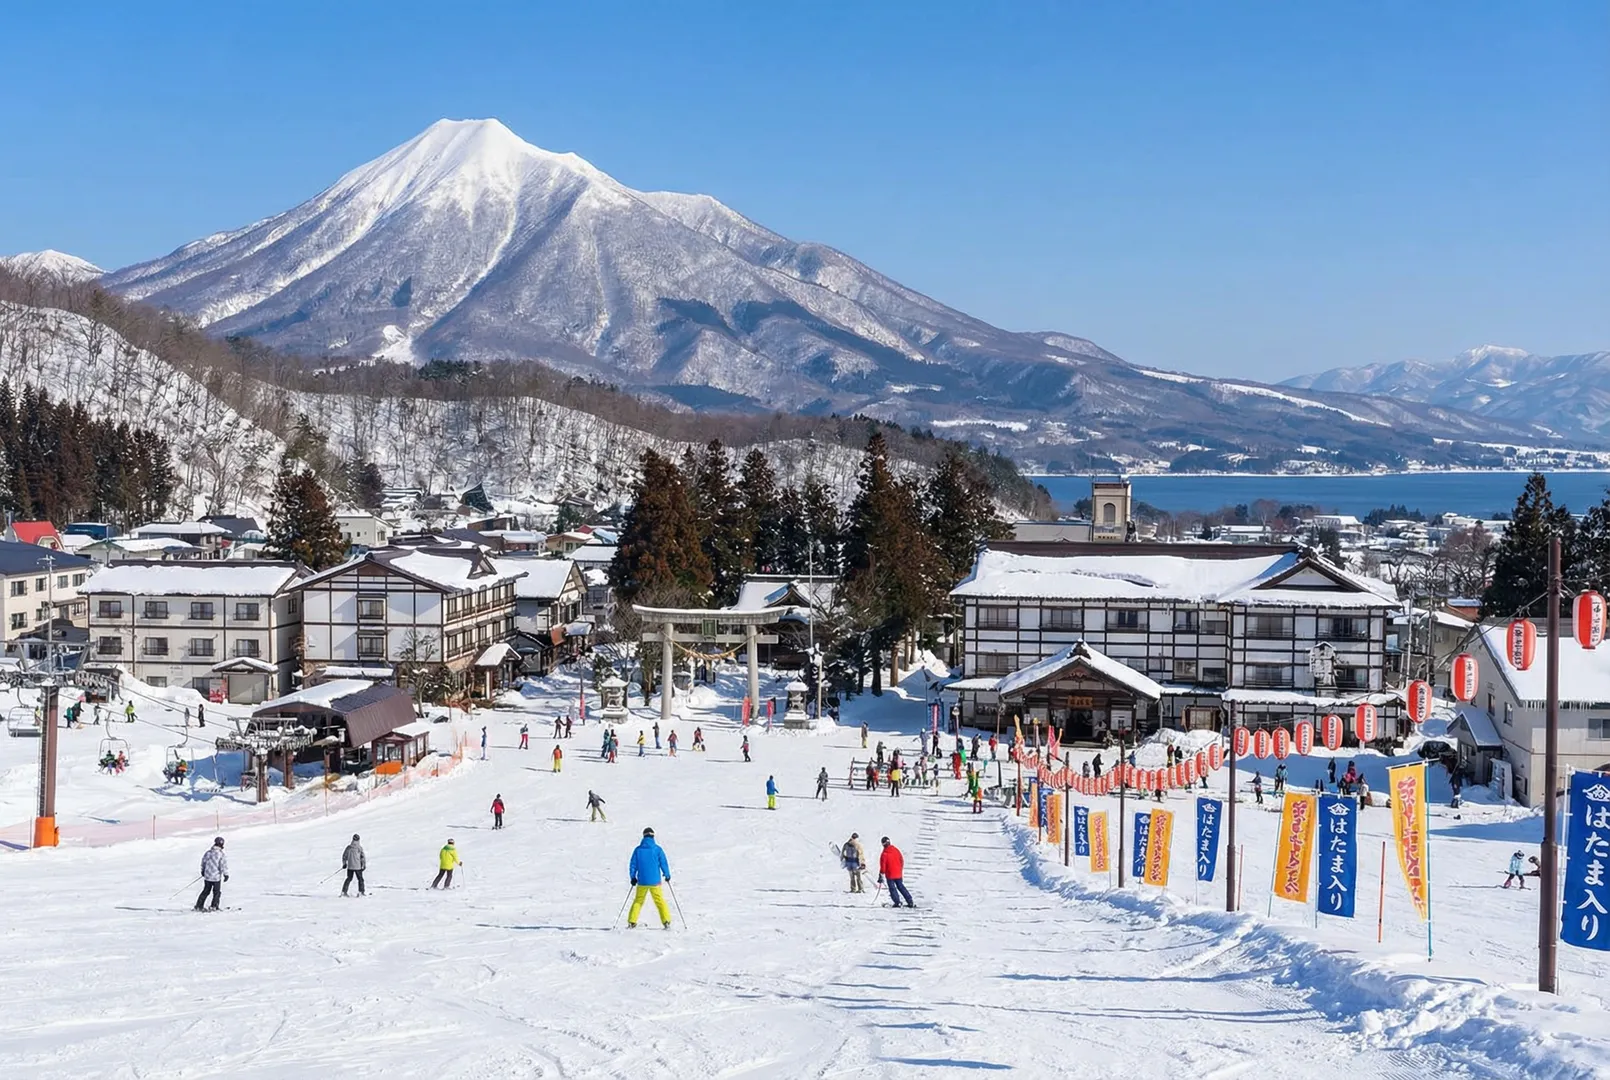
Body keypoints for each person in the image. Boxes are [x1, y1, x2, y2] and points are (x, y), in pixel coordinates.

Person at [627, 827, 673, 929]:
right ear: (653, 836)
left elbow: (633, 865)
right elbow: (663, 863)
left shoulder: (638, 850)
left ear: (644, 836)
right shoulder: (657, 849)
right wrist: (667, 875)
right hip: (655, 881)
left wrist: (633, 877)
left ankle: (632, 921)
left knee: (638, 900)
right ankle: (666, 921)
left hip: (642, 881)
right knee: (660, 901)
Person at [878, 837, 915, 908]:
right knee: (901, 887)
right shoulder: (896, 850)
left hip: (890, 874)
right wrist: (899, 869)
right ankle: (910, 901)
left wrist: (881, 875)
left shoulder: (884, 854)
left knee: (892, 889)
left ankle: (897, 902)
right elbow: (901, 860)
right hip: (898, 873)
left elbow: (883, 866)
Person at [195, 837, 228, 911]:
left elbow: (203, 862)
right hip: (216, 877)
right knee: (216, 892)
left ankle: (199, 905)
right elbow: (223, 865)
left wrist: (203, 871)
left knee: (206, 891)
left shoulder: (208, 852)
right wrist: (226, 874)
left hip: (207, 876)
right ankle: (214, 906)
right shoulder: (221, 854)